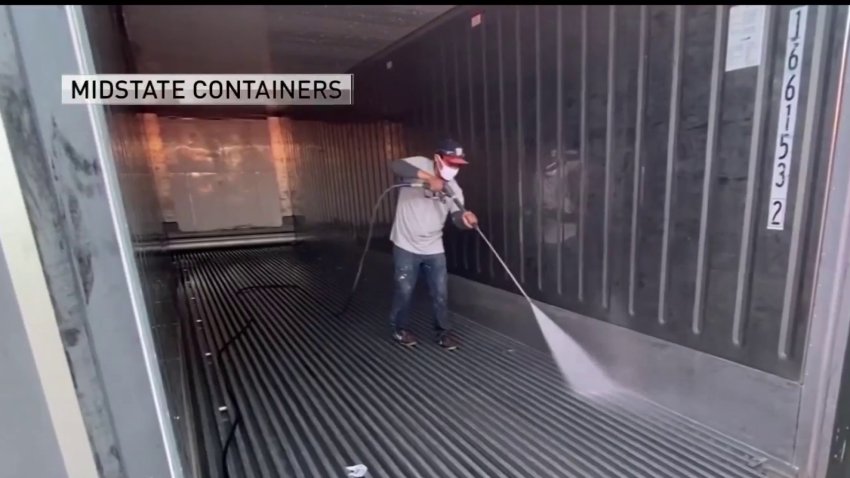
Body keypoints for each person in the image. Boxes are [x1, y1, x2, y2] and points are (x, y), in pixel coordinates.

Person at [388, 139, 479, 351]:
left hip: (433, 246)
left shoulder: (455, 189)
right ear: (438, 159)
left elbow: (456, 217)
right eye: (450, 162)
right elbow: (395, 165)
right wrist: (429, 178)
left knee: (440, 292)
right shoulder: (421, 163)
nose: (454, 168)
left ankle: (443, 333)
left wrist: (465, 221)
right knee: (405, 289)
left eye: (458, 164)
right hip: (405, 243)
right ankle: (399, 329)